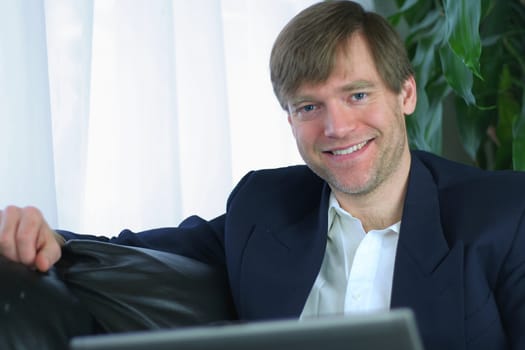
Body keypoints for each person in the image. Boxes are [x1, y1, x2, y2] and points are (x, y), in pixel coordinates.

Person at [0, 1, 524, 349]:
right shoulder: (265, 206)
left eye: (357, 95)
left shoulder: (504, 217)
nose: (337, 127)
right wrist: (47, 240)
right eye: (308, 107)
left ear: (405, 94)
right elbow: (136, 252)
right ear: (290, 119)